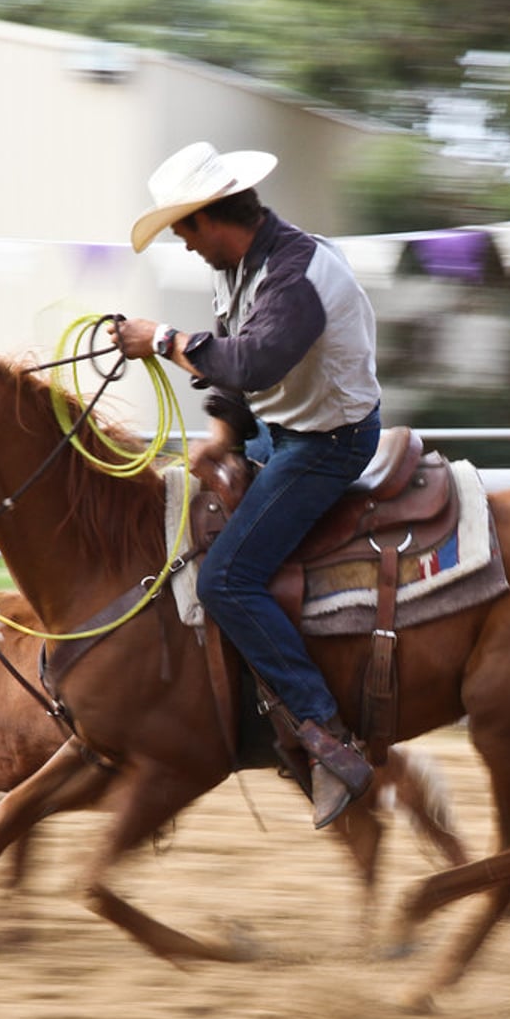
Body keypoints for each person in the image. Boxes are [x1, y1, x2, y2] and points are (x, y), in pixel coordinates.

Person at [115, 141, 382, 829]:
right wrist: (225, 435)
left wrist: (166, 339)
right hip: (286, 430)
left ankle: (326, 736)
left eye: (184, 230)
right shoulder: (242, 267)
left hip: (328, 444)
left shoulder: (296, 273)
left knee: (225, 579)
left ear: (210, 219)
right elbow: (237, 361)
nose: (185, 245)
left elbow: (257, 359)